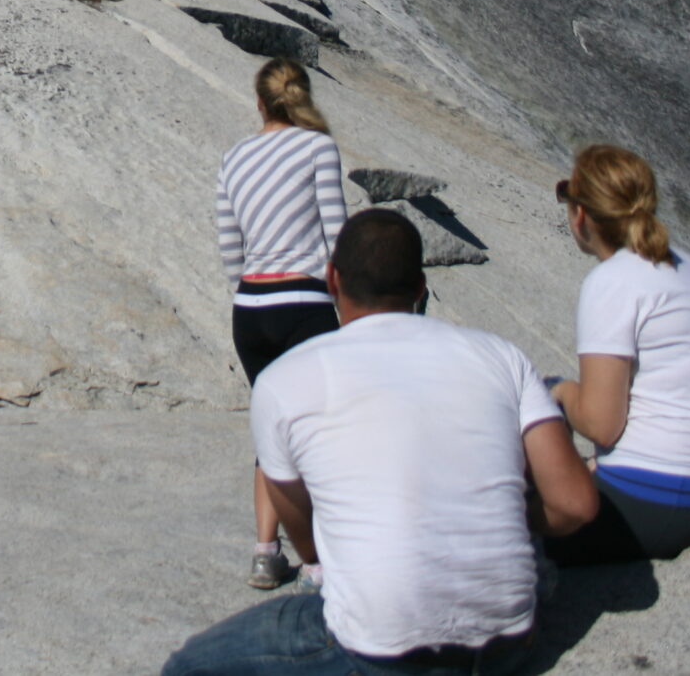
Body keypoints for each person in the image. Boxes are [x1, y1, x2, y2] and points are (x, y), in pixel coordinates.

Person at [164, 209, 599, 676]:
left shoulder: (283, 381)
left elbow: (307, 543)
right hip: (507, 641)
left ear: (332, 280)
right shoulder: (503, 357)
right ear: (419, 286)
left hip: (380, 649)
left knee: (188, 666)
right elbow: (575, 504)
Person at [544, 145, 690, 564]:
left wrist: (558, 391)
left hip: (669, 502)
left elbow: (601, 425)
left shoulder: (612, 280)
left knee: (504, 524)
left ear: (582, 214)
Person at [214, 57, 349, 589]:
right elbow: (335, 234)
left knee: (271, 430)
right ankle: (317, 558)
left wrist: (249, 284)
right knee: (317, 429)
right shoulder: (318, 148)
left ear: (259, 102)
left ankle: (266, 550)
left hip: (250, 309)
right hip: (305, 304)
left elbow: (230, 248)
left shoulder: (234, 158)